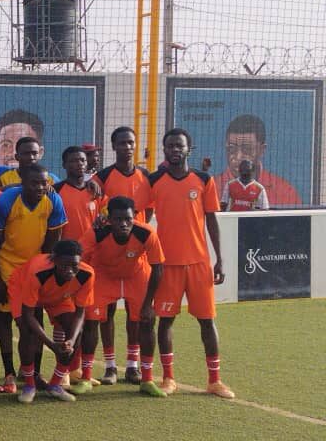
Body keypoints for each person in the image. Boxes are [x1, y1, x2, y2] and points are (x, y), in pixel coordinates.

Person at [149, 128, 234, 399]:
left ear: (189, 149)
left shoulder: (204, 180)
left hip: (199, 263)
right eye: (170, 146)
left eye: (179, 146)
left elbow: (211, 220)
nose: (175, 150)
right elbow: (141, 217)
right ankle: (169, 378)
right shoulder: (155, 181)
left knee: (207, 321)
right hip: (167, 264)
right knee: (165, 321)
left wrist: (219, 259)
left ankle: (215, 380)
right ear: (165, 150)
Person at [0, 163, 67, 393]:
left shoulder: (53, 200)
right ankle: (9, 373)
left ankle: (34, 372)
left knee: (34, 321)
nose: (40, 187)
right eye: (34, 183)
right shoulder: (8, 200)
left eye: (44, 183)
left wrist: (43, 273)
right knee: (3, 318)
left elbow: (53, 240)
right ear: (23, 183)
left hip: (35, 266)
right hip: (7, 264)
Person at [79, 196, 167, 398]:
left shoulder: (145, 233)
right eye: (118, 219)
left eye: (127, 219)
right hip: (103, 275)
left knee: (145, 321)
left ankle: (145, 377)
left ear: (134, 217)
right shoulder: (97, 232)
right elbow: (79, 259)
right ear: (108, 219)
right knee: (92, 321)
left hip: (135, 275)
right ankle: (91, 375)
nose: (123, 224)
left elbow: (158, 268)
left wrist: (148, 304)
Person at [91, 126, 154, 383]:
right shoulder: (102, 177)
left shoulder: (146, 177)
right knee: (106, 313)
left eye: (131, 143)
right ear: (113, 146)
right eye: (122, 143)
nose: (127, 147)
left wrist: (138, 235)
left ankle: (132, 364)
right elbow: (94, 209)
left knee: (135, 312)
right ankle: (109, 366)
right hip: (107, 253)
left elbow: (148, 211)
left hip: (136, 254)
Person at [9, 240, 95, 403]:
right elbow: (29, 315)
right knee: (27, 331)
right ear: (55, 261)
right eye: (64, 265)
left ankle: (55, 385)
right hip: (22, 288)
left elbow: (80, 313)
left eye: (74, 265)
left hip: (58, 295)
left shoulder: (87, 274)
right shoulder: (37, 272)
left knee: (76, 330)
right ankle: (29, 385)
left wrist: (70, 340)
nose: (70, 270)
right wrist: (51, 344)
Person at [214, 114, 299, 206]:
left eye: (247, 149)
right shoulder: (213, 186)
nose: (238, 157)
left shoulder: (285, 191)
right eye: (231, 149)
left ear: (262, 149)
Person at [55, 146, 106, 242]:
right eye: (74, 161)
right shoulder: (56, 191)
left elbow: (108, 209)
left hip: (92, 249)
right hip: (67, 251)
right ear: (64, 165)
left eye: (83, 160)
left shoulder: (95, 190)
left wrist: (104, 217)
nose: (80, 164)